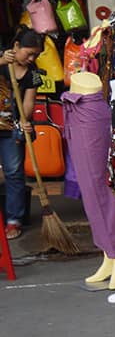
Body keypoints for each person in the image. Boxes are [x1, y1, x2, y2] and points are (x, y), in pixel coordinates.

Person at [0, 28, 43, 240]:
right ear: (16, 46)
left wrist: (25, 121)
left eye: (36, 55)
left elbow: (28, 102)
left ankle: (13, 220)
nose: (32, 58)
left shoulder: (33, 72)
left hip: (11, 127)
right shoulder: (1, 59)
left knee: (14, 172)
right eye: (29, 53)